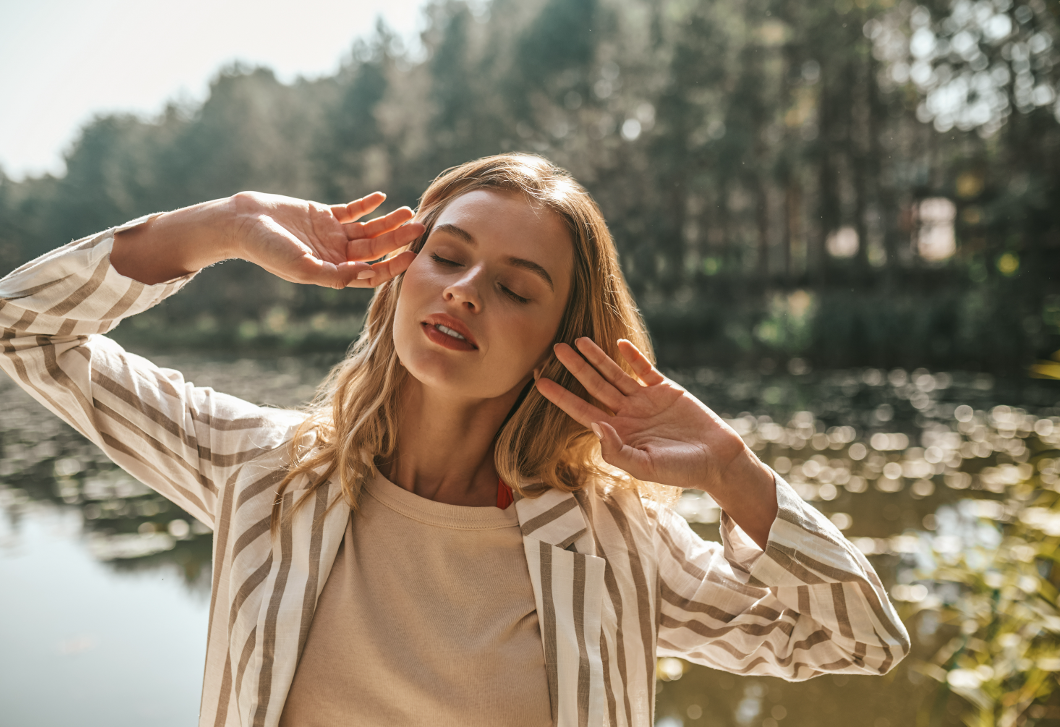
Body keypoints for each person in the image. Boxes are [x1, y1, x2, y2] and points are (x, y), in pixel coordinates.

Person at [0, 153, 909, 727]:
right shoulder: (263, 470)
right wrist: (226, 224)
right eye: (447, 255)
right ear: (396, 276)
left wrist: (729, 470)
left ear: (568, 340)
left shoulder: (610, 541)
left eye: (516, 288)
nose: (467, 290)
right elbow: (23, 329)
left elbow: (858, 641)